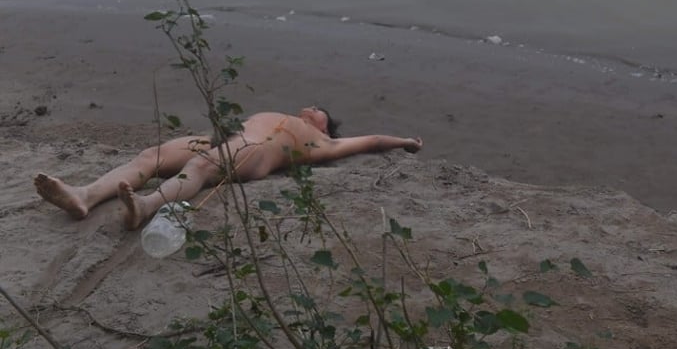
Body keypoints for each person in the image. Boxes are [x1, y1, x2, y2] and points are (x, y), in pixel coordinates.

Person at [34, 106, 422, 230]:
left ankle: (148, 206)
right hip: (227, 137)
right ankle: (84, 196)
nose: (311, 108)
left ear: (325, 124)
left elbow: (371, 141)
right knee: (150, 156)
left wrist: (405, 142)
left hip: (257, 151)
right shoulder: (283, 114)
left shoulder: (325, 142)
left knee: (201, 167)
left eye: (318, 110)